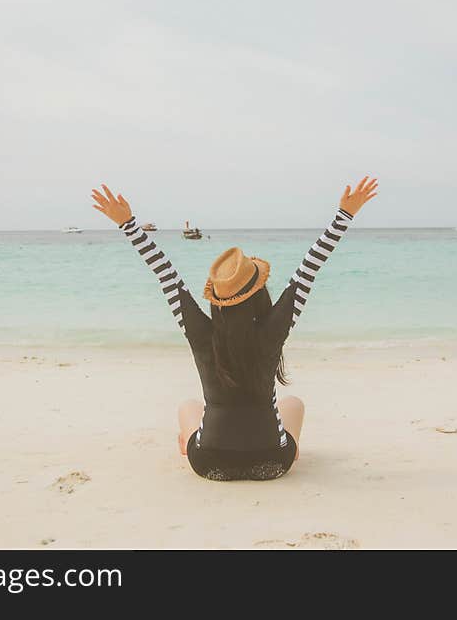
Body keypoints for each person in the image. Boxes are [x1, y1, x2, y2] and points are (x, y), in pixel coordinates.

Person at [91, 176, 378, 481]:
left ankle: (189, 443)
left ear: (216, 299)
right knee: (293, 404)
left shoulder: (202, 334)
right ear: (259, 294)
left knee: (188, 407)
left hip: (209, 464)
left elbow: (165, 273)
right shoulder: (273, 332)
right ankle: (286, 447)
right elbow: (310, 268)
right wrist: (344, 215)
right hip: (273, 462)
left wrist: (128, 224)